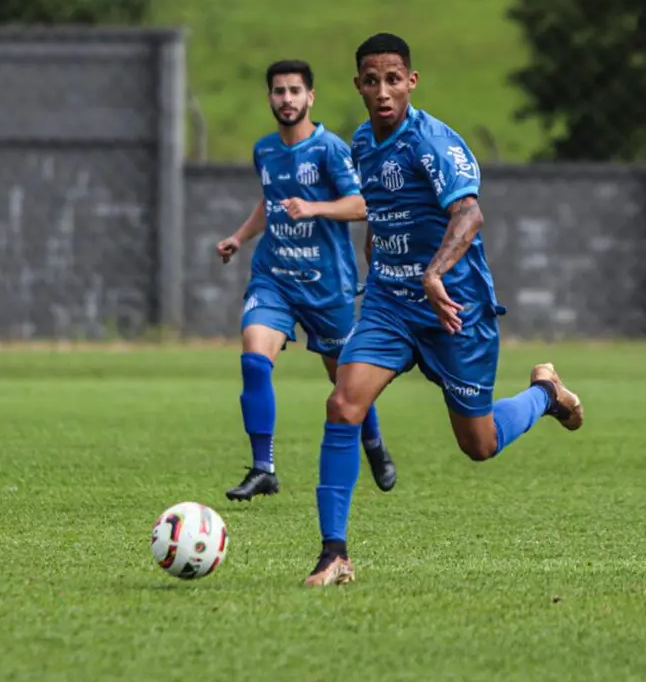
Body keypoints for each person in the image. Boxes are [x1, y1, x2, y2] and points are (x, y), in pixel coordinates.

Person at [303, 34, 584, 587]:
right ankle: (334, 554)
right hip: (389, 303)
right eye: (370, 80)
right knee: (342, 404)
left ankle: (545, 393)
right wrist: (377, 270)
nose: (382, 90)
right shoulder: (362, 142)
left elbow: (469, 215)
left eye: (393, 79)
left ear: (411, 81)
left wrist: (433, 274)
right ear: (358, 85)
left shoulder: (433, 142)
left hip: (455, 308)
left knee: (478, 445)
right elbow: (381, 215)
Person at [217, 59, 396, 502]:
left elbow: (361, 205)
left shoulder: (330, 149)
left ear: (310, 97)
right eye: (279, 91)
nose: (287, 99)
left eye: (295, 91)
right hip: (274, 277)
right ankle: (264, 468)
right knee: (254, 357)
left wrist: (314, 208)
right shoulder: (265, 150)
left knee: (347, 384)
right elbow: (271, 202)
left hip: (326, 284)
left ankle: (372, 441)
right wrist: (240, 237)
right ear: (270, 99)